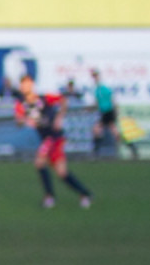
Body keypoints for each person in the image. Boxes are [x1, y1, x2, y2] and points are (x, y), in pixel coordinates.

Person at [15, 72, 94, 209]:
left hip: (54, 136)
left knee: (40, 162)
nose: (26, 87)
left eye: (28, 83)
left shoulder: (44, 98)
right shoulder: (21, 104)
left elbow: (63, 100)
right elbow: (19, 120)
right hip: (47, 138)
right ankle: (85, 193)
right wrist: (25, 121)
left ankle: (49, 197)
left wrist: (60, 117)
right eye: (23, 84)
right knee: (61, 172)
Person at [91, 69, 123, 157]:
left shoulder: (103, 88)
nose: (95, 78)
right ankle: (97, 149)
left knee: (102, 129)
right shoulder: (96, 90)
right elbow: (97, 102)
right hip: (103, 112)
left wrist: (116, 109)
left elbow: (112, 98)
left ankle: (97, 149)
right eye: (94, 77)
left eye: (96, 76)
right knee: (100, 129)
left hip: (108, 111)